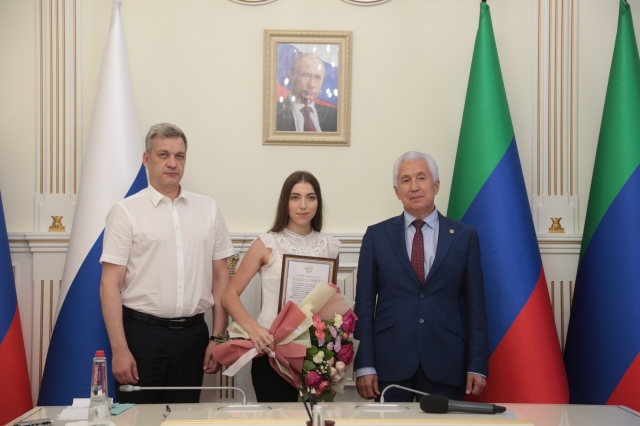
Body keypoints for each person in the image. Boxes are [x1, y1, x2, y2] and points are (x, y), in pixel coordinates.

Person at [100, 123, 235, 404]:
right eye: (163, 155)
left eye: (179, 156)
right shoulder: (125, 212)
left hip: (194, 337)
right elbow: (109, 284)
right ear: (147, 159)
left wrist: (219, 337)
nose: (172, 163)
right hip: (142, 337)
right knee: (137, 419)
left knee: (184, 418)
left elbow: (221, 277)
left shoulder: (208, 209)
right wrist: (120, 349)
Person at [353, 151, 489, 402]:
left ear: (436, 185)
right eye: (405, 180)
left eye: (421, 178)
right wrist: (365, 364)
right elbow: (363, 305)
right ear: (397, 191)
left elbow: (476, 306)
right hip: (389, 362)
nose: (414, 186)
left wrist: (477, 364)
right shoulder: (376, 236)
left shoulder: (464, 236)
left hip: (447, 360)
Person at [221, 171, 340, 402]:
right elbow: (229, 294)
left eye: (310, 197)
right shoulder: (266, 243)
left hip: (315, 356)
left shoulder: (331, 247)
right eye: (295, 197)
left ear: (318, 202)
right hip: (271, 352)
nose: (303, 205)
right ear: (285, 201)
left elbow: (331, 304)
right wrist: (254, 329)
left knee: (312, 418)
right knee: (276, 418)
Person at [276, 53, 338, 132]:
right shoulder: (273, 114)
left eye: (318, 78)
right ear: (291, 75)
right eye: (305, 75)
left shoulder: (335, 117)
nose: (311, 85)